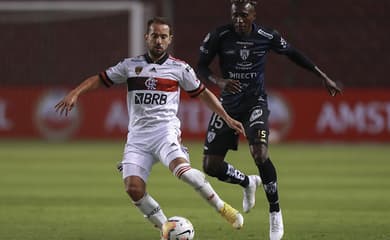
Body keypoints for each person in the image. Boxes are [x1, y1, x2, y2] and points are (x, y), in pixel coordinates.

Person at [54, 17, 246, 238]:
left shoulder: (179, 68)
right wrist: (75, 93)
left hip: (165, 133)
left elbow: (203, 93)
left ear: (170, 39)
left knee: (185, 174)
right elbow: (100, 79)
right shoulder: (130, 66)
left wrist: (227, 117)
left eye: (163, 36)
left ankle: (223, 208)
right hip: (137, 138)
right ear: (147, 37)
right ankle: (168, 229)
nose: (159, 40)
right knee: (133, 189)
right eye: (154, 35)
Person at [196, 1, 343, 240]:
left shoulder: (267, 35)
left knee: (260, 154)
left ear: (253, 15)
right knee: (210, 166)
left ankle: (275, 212)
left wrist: (323, 76)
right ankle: (247, 182)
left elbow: (294, 54)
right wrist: (219, 81)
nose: (238, 20)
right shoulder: (219, 35)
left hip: (255, 104)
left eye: (244, 15)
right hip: (228, 106)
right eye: (235, 15)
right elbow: (200, 67)